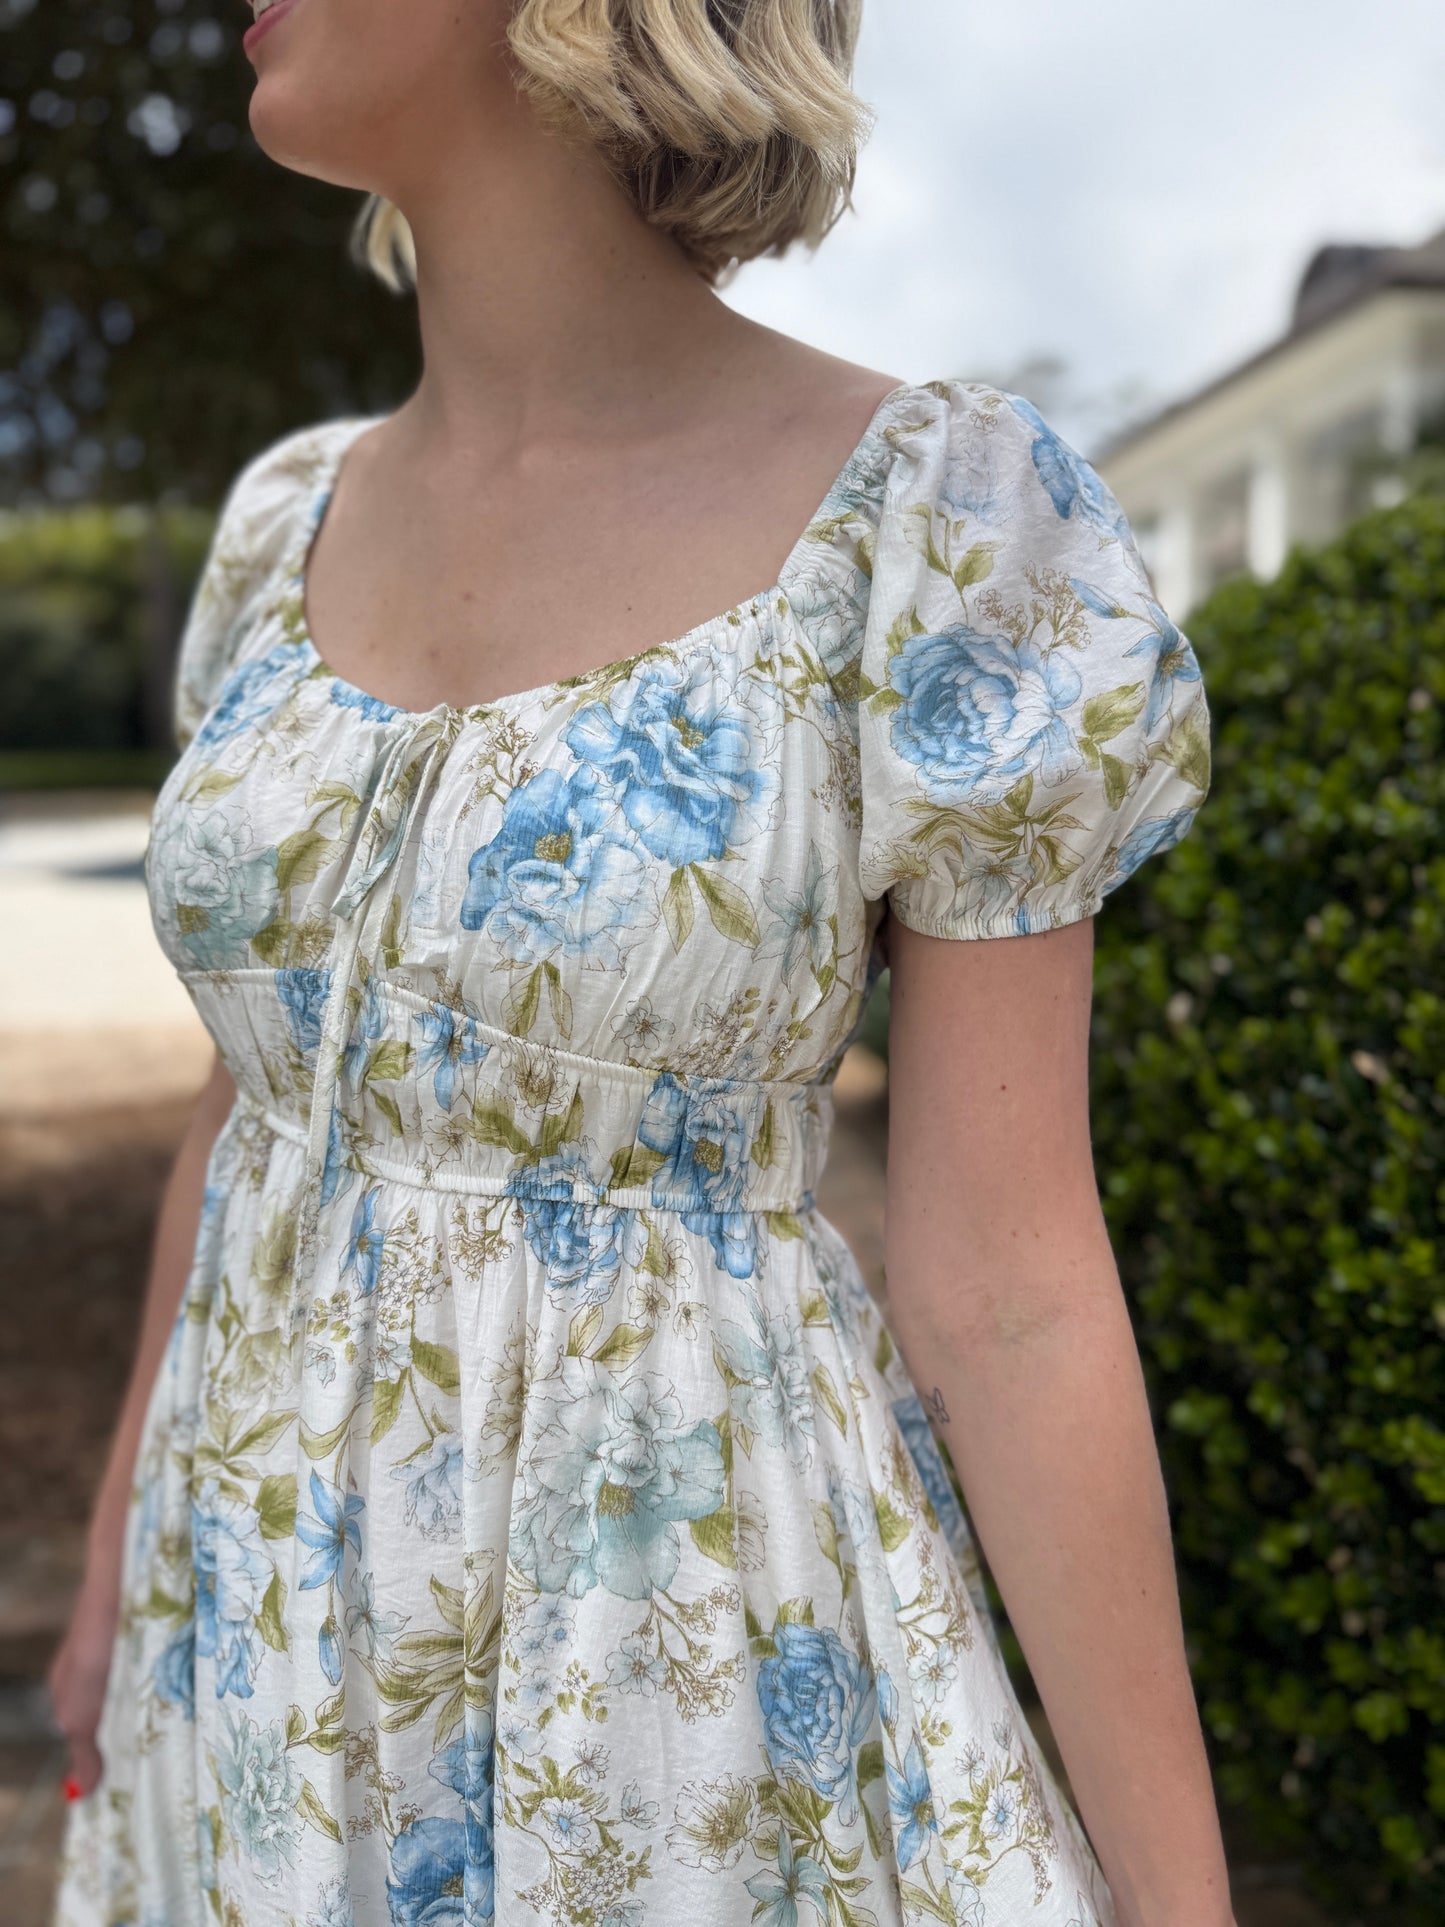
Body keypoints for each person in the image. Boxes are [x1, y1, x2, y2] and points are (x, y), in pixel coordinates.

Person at [49, 3, 1230, 1924]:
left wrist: (1184, 1909)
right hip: (250, 1621)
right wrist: (114, 1559)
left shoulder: (939, 524)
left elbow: (1005, 1285)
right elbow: (246, 1113)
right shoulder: (285, 529)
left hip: (670, 1671)